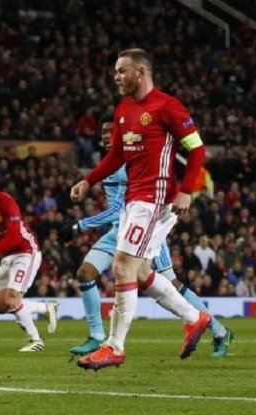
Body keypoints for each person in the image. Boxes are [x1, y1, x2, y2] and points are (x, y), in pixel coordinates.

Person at [70, 48, 212, 371]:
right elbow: (116, 156)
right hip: (135, 199)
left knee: (122, 266)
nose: (116, 77)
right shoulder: (123, 110)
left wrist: (187, 190)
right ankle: (195, 317)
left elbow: (197, 149)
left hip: (155, 198)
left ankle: (114, 346)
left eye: (122, 71)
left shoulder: (167, 107)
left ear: (141, 73)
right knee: (142, 271)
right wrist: (88, 181)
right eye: (116, 71)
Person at [61, 114, 233, 358]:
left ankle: (217, 329)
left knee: (169, 283)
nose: (108, 137)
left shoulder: (130, 162)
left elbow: (121, 209)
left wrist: (81, 225)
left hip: (142, 228)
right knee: (85, 273)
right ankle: (97, 336)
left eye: (112, 132)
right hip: (118, 232)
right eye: (103, 133)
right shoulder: (109, 162)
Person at [0, 164, 58, 352]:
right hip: (8, 254)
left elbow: (16, 237)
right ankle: (44, 308)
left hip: (26, 251)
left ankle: (36, 340)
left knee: (12, 300)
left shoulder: (6, 202)